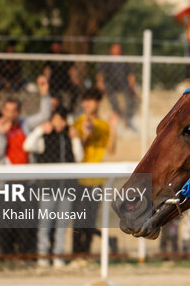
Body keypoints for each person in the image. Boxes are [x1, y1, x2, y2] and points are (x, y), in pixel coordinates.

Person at [0, 76, 51, 255]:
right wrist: (2, 134)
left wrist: (44, 94)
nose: (11, 114)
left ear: (19, 112)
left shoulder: (24, 124)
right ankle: (5, 255)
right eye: (8, 111)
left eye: (15, 111)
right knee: (5, 223)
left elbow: (44, 115)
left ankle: (26, 254)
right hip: (6, 184)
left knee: (27, 222)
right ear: (3, 112)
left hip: (27, 182)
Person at [24, 106, 83, 268]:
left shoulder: (68, 137)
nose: (59, 123)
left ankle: (58, 256)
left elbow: (79, 157)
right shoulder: (46, 137)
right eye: (56, 120)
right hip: (48, 188)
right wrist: (39, 130)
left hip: (66, 189)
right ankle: (42, 255)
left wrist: (75, 138)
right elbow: (27, 146)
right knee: (45, 223)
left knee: (62, 225)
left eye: (63, 120)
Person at [72, 88, 118, 256]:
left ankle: (86, 254)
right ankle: (76, 254)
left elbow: (111, 150)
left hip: (97, 179)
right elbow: (76, 150)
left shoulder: (104, 125)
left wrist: (113, 128)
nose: (87, 104)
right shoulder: (78, 122)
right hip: (79, 178)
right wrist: (84, 134)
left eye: (90, 100)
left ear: (98, 102)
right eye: (85, 100)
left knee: (90, 219)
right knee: (78, 220)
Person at [96, 43, 138, 132]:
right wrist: (100, 83)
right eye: (115, 49)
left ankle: (126, 119)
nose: (117, 51)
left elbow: (131, 75)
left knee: (129, 95)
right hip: (111, 84)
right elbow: (100, 74)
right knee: (110, 93)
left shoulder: (125, 61)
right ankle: (117, 112)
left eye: (118, 49)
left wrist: (132, 86)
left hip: (123, 84)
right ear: (111, 51)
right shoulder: (108, 61)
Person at [43, 41, 81, 112]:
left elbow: (71, 69)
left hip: (65, 81)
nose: (56, 47)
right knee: (54, 95)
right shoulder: (49, 56)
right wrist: (46, 81)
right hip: (53, 82)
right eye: (55, 45)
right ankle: (55, 110)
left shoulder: (66, 55)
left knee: (75, 91)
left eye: (58, 45)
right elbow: (47, 70)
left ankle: (71, 110)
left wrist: (75, 80)